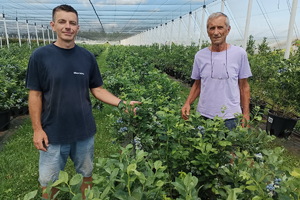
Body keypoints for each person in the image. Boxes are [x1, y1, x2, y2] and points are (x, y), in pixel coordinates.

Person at [26, 4, 140, 199]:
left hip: (83, 131)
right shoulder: (40, 56)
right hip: (52, 132)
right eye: (62, 22)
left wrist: (121, 103)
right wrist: (37, 129)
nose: (67, 26)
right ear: (53, 25)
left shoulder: (87, 57)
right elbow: (35, 95)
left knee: (86, 175)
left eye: (72, 23)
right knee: (48, 182)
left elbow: (98, 89)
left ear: (78, 28)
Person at [181, 12, 252, 129]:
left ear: (228, 30)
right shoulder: (200, 55)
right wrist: (188, 103)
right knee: (202, 146)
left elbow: (244, 86)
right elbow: (197, 84)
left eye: (220, 27)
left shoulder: (239, 54)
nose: (216, 32)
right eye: (212, 28)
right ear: (207, 31)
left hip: (230, 117)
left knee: (227, 146)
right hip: (203, 115)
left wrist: (245, 114)